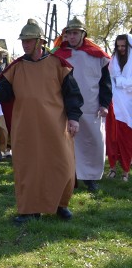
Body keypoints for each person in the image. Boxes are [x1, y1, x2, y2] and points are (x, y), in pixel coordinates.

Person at [0, 19, 83, 223]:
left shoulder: (58, 65)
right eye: (23, 41)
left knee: (61, 164)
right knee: (28, 168)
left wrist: (73, 118)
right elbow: (5, 93)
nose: (25, 45)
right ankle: (29, 210)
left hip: (55, 125)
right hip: (26, 127)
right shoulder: (16, 67)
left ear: (40, 42)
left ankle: (60, 205)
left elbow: (72, 94)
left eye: (29, 41)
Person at [53, 16, 111, 192]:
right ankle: (71, 175)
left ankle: (91, 177)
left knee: (93, 142)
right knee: (68, 143)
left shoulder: (98, 56)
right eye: (69, 33)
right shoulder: (57, 55)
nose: (71, 37)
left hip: (91, 106)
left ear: (83, 34)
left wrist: (104, 104)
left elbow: (106, 83)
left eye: (75, 33)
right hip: (65, 107)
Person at [106, 34, 132, 181]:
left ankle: (125, 171)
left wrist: (120, 81)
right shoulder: (114, 59)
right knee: (112, 137)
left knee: (126, 138)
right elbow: (111, 79)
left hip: (128, 106)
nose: (121, 49)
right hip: (114, 103)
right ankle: (112, 168)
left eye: (123, 46)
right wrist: (123, 82)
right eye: (118, 46)